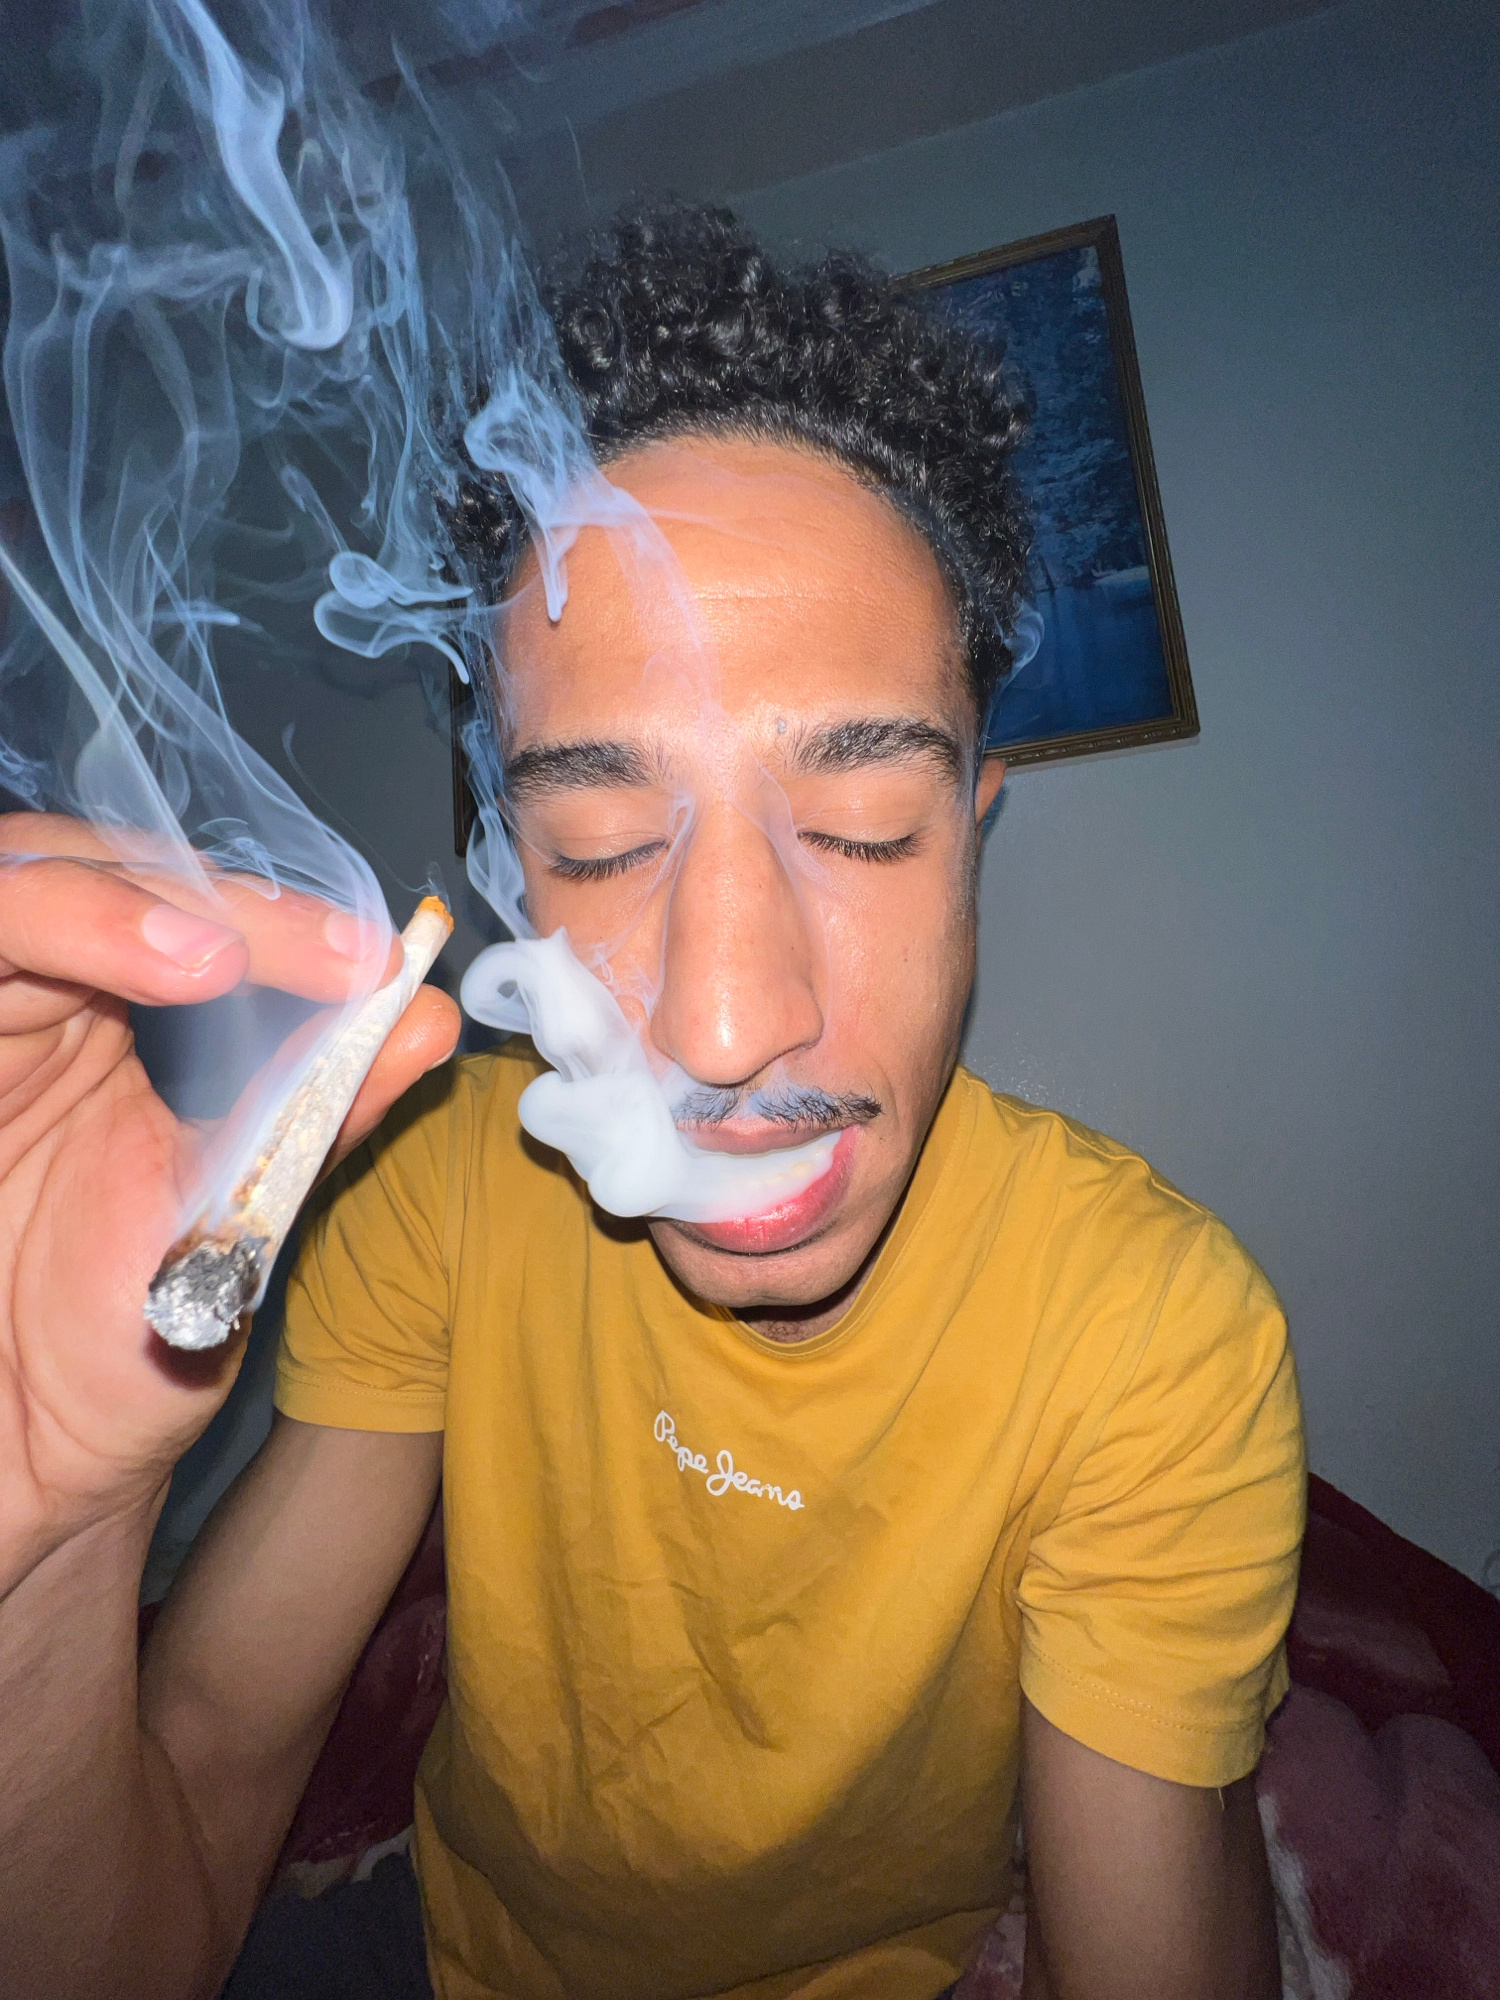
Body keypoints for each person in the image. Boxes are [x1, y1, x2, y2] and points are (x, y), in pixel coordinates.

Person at [0, 204, 1303, 2000]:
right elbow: (172, 1847)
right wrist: (52, 1538)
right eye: (604, 846)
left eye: (865, 828)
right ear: (511, 870)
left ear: (973, 829)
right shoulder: (446, 1192)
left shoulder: (1149, 1338)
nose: (728, 1022)